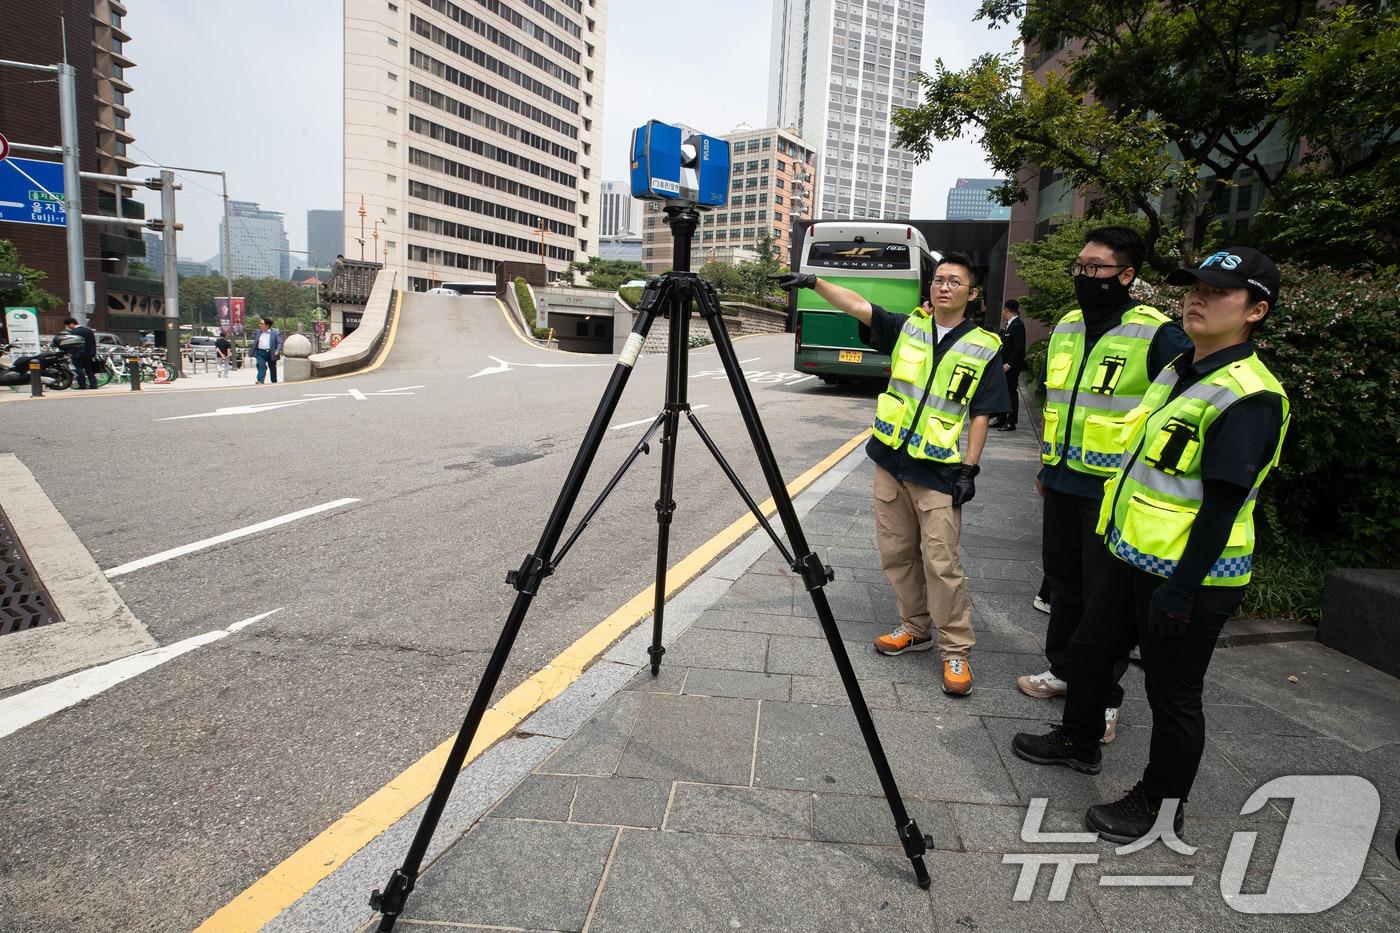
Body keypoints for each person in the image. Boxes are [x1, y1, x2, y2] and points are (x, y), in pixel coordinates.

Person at [1012, 247, 1288, 844]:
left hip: (1191, 577)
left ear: (1255, 311)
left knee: (1174, 696)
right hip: (1131, 554)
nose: (1197, 298)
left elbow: (1221, 504)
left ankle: (1162, 805)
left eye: (1217, 292)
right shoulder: (1182, 368)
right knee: (1086, 651)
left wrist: (1182, 589)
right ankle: (1079, 741)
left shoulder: (1249, 395)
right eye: (1194, 287)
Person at [774, 252, 1010, 695]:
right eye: (938, 280)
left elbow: (982, 413)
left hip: (938, 471)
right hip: (890, 461)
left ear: (972, 294)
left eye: (954, 282)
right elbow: (857, 304)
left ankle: (956, 652)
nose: (943, 287)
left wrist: (970, 468)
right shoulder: (907, 328)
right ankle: (915, 629)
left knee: (942, 562)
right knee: (897, 554)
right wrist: (813, 282)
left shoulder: (984, 346)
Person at [1016, 227, 1193, 747]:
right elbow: (1057, 403)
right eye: (1080, 265)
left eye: (1095, 268)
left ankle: (1105, 699)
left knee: (1104, 600)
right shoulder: (1068, 326)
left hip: (1113, 492)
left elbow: (1180, 408)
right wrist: (1048, 465)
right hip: (1063, 481)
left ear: (1126, 275)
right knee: (1063, 584)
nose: (1083, 276)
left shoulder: (1157, 334)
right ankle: (1065, 671)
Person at [993, 299, 1026, 431]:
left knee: (1011, 392)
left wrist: (1009, 364)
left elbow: (1019, 348)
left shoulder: (1017, 325)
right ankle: (1001, 419)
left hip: (1010, 367)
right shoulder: (1009, 325)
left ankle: (1011, 421)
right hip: (1003, 365)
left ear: (1006, 310)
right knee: (1002, 392)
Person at [59, 317, 98, 390]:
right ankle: (94, 385)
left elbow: (72, 344)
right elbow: (93, 343)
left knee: (78, 370)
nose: (68, 327)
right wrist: (93, 352)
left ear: (71, 323)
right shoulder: (88, 330)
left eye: (68, 326)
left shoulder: (75, 332)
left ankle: (82, 385)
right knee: (89, 370)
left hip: (78, 354)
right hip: (89, 353)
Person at [253, 317, 282, 384]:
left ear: (267, 325)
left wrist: (277, 350)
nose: (260, 325)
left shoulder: (275, 333)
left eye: (262, 324)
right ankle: (260, 380)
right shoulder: (258, 332)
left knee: (272, 367)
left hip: (271, 352)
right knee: (261, 365)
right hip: (260, 352)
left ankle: (274, 380)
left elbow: (279, 342)